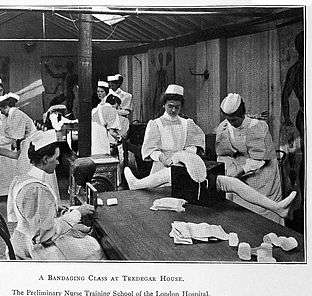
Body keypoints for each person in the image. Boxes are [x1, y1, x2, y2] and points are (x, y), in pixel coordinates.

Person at [7, 130, 104, 260]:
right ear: (46, 159)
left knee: (80, 237)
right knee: (94, 247)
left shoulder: (21, 179)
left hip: (23, 239)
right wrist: (78, 213)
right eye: (56, 158)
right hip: (34, 248)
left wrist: (54, 211)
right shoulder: (37, 189)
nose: (58, 163)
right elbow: (45, 235)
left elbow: (25, 215)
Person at [123, 156, 297, 221]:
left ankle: (277, 207)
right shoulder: (159, 124)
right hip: (178, 168)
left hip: (192, 168)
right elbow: (152, 152)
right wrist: (167, 158)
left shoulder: (188, 125)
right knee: (166, 173)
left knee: (233, 183)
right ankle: (136, 183)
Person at [215, 93, 283, 224]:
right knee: (241, 211)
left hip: (262, 172)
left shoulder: (257, 126)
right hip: (241, 170)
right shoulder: (224, 127)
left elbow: (259, 158)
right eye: (228, 119)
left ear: (242, 115)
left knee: (262, 211)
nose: (231, 123)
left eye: (234, 120)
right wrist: (228, 169)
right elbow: (223, 153)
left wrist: (241, 170)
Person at [0, 93, 61, 204]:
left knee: (29, 173)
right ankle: (31, 202)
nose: (1, 113)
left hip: (33, 144)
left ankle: (39, 203)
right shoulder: (12, 116)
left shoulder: (16, 114)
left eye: (1, 110)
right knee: (23, 172)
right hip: (27, 144)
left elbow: (12, 136)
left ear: (5, 107)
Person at [142, 84, 205, 178]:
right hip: (162, 165)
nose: (173, 110)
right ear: (164, 105)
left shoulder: (187, 123)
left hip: (182, 164)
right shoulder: (156, 124)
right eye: (170, 106)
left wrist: (184, 156)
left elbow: (194, 144)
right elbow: (150, 148)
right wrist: (162, 158)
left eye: (177, 107)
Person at [281, 31, 304, 202]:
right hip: (304, 117)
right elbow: (284, 96)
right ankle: (305, 199)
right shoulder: (295, 70)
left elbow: (285, 96)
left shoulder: (295, 70)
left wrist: (289, 118)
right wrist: (287, 119)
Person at [91, 81, 121, 155]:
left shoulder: (105, 107)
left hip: (99, 134)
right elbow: (112, 131)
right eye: (98, 91)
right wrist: (119, 138)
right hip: (97, 134)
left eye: (102, 91)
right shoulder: (100, 107)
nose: (99, 93)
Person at [107, 74, 132, 139]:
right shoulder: (105, 95)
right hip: (108, 122)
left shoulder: (127, 96)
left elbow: (127, 112)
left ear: (119, 83)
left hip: (121, 122)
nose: (111, 84)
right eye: (110, 82)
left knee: (120, 143)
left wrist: (113, 111)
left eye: (113, 82)